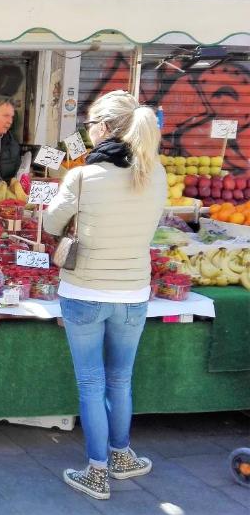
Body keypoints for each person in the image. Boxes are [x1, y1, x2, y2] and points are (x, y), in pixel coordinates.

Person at [44, 90, 167, 501]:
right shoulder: (157, 174)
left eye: (92, 123)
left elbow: (51, 222)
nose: (89, 129)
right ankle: (122, 455)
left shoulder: (82, 176)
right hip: (133, 292)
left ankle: (96, 472)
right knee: (121, 380)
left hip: (84, 291)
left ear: (103, 127)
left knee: (91, 383)